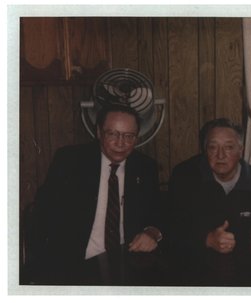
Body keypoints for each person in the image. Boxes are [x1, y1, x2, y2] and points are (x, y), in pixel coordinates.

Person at [26, 104, 164, 285]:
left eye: (128, 136)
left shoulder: (145, 167)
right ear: (99, 132)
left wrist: (152, 232)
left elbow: (159, 211)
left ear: (137, 138)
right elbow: (43, 213)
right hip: (76, 266)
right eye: (112, 134)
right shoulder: (70, 161)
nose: (120, 143)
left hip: (127, 263)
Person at [167, 118, 251, 286]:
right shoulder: (184, 176)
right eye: (213, 147)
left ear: (241, 150)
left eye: (229, 147)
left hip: (243, 267)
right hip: (194, 263)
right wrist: (207, 239)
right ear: (204, 150)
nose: (221, 155)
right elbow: (171, 227)